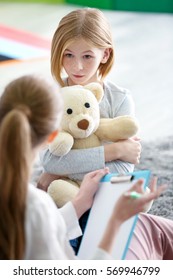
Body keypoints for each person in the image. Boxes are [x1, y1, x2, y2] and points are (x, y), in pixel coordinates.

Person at [0, 75, 172, 260]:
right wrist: (115, 221)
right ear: (53, 136)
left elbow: (43, 228)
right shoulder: (35, 205)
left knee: (150, 225)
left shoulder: (32, 205)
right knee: (144, 226)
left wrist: (79, 202)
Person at [36, 7, 142, 253]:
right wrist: (114, 150)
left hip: (105, 196)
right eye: (68, 55)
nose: (77, 67)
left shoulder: (120, 99)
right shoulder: (52, 98)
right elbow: (50, 161)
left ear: (105, 55)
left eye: (87, 56)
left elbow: (124, 167)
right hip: (66, 198)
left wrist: (63, 170)